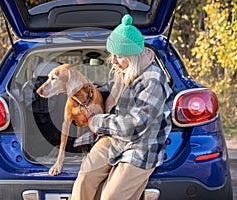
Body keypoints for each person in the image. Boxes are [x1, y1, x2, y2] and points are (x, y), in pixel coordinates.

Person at [71, 14, 173, 200]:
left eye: (119, 57)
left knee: (111, 196)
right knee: (85, 179)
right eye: (113, 56)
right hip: (114, 138)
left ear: (133, 56)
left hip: (142, 145)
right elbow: (112, 107)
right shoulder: (124, 72)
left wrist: (97, 122)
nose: (114, 62)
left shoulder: (153, 81)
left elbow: (134, 126)